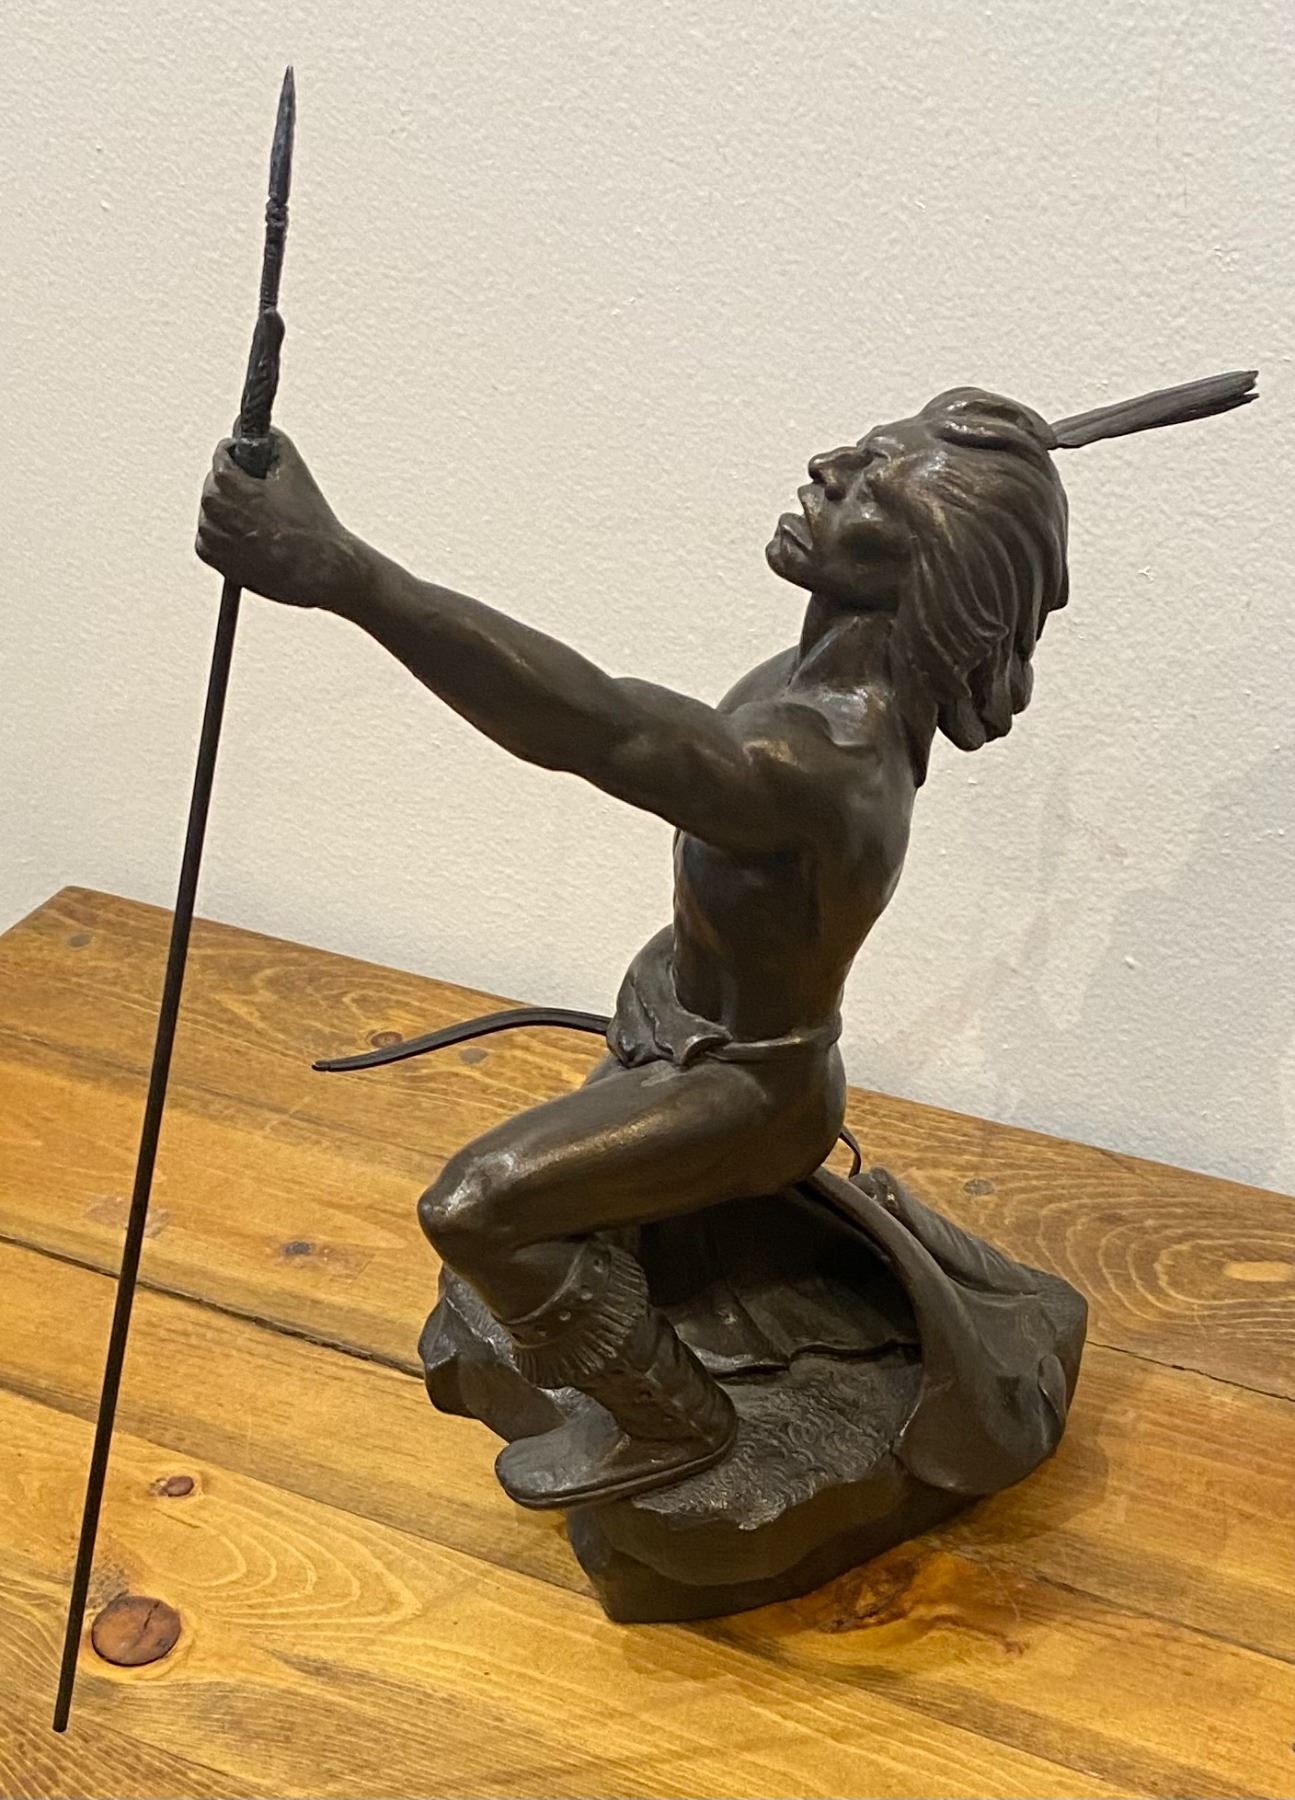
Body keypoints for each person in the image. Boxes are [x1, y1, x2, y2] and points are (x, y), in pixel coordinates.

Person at [196, 371, 1253, 1508]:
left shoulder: (822, 763)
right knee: (562, 1212)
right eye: (860, 448)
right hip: (678, 1026)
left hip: (744, 1091)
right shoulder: (798, 689)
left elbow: (595, 726)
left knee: (473, 1207)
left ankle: (673, 1424)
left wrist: (346, 573)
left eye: (874, 490)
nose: (827, 470)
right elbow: (629, 735)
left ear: (926, 572)